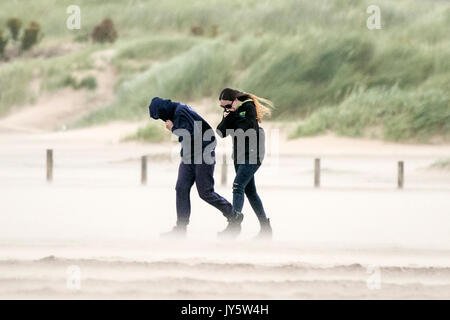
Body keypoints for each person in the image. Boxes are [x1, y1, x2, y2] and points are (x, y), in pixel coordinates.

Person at [149, 97, 241, 238]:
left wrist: (173, 128)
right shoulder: (177, 110)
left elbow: (191, 135)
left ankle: (233, 215)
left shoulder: (180, 111)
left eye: (160, 116)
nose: (161, 119)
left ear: (163, 111)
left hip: (204, 152)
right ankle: (181, 228)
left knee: (205, 192)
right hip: (189, 154)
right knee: (181, 187)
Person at [216, 88, 273, 239]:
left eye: (228, 106)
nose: (226, 109)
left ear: (235, 100)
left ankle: (234, 225)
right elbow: (221, 132)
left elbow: (245, 128)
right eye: (223, 108)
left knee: (237, 185)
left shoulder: (248, 107)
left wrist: (232, 116)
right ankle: (266, 229)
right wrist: (226, 117)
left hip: (253, 155)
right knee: (251, 192)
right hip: (239, 156)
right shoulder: (233, 112)